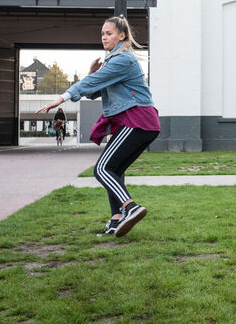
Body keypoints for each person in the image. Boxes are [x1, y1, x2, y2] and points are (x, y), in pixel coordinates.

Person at [39, 15, 159, 237]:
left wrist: (62, 98)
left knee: (102, 169)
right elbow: (95, 90)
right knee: (115, 169)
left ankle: (130, 208)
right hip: (139, 122)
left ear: (122, 36)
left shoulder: (124, 59)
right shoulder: (113, 62)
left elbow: (90, 85)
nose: (104, 38)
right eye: (102, 34)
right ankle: (116, 220)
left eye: (109, 33)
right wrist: (93, 72)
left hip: (137, 120)